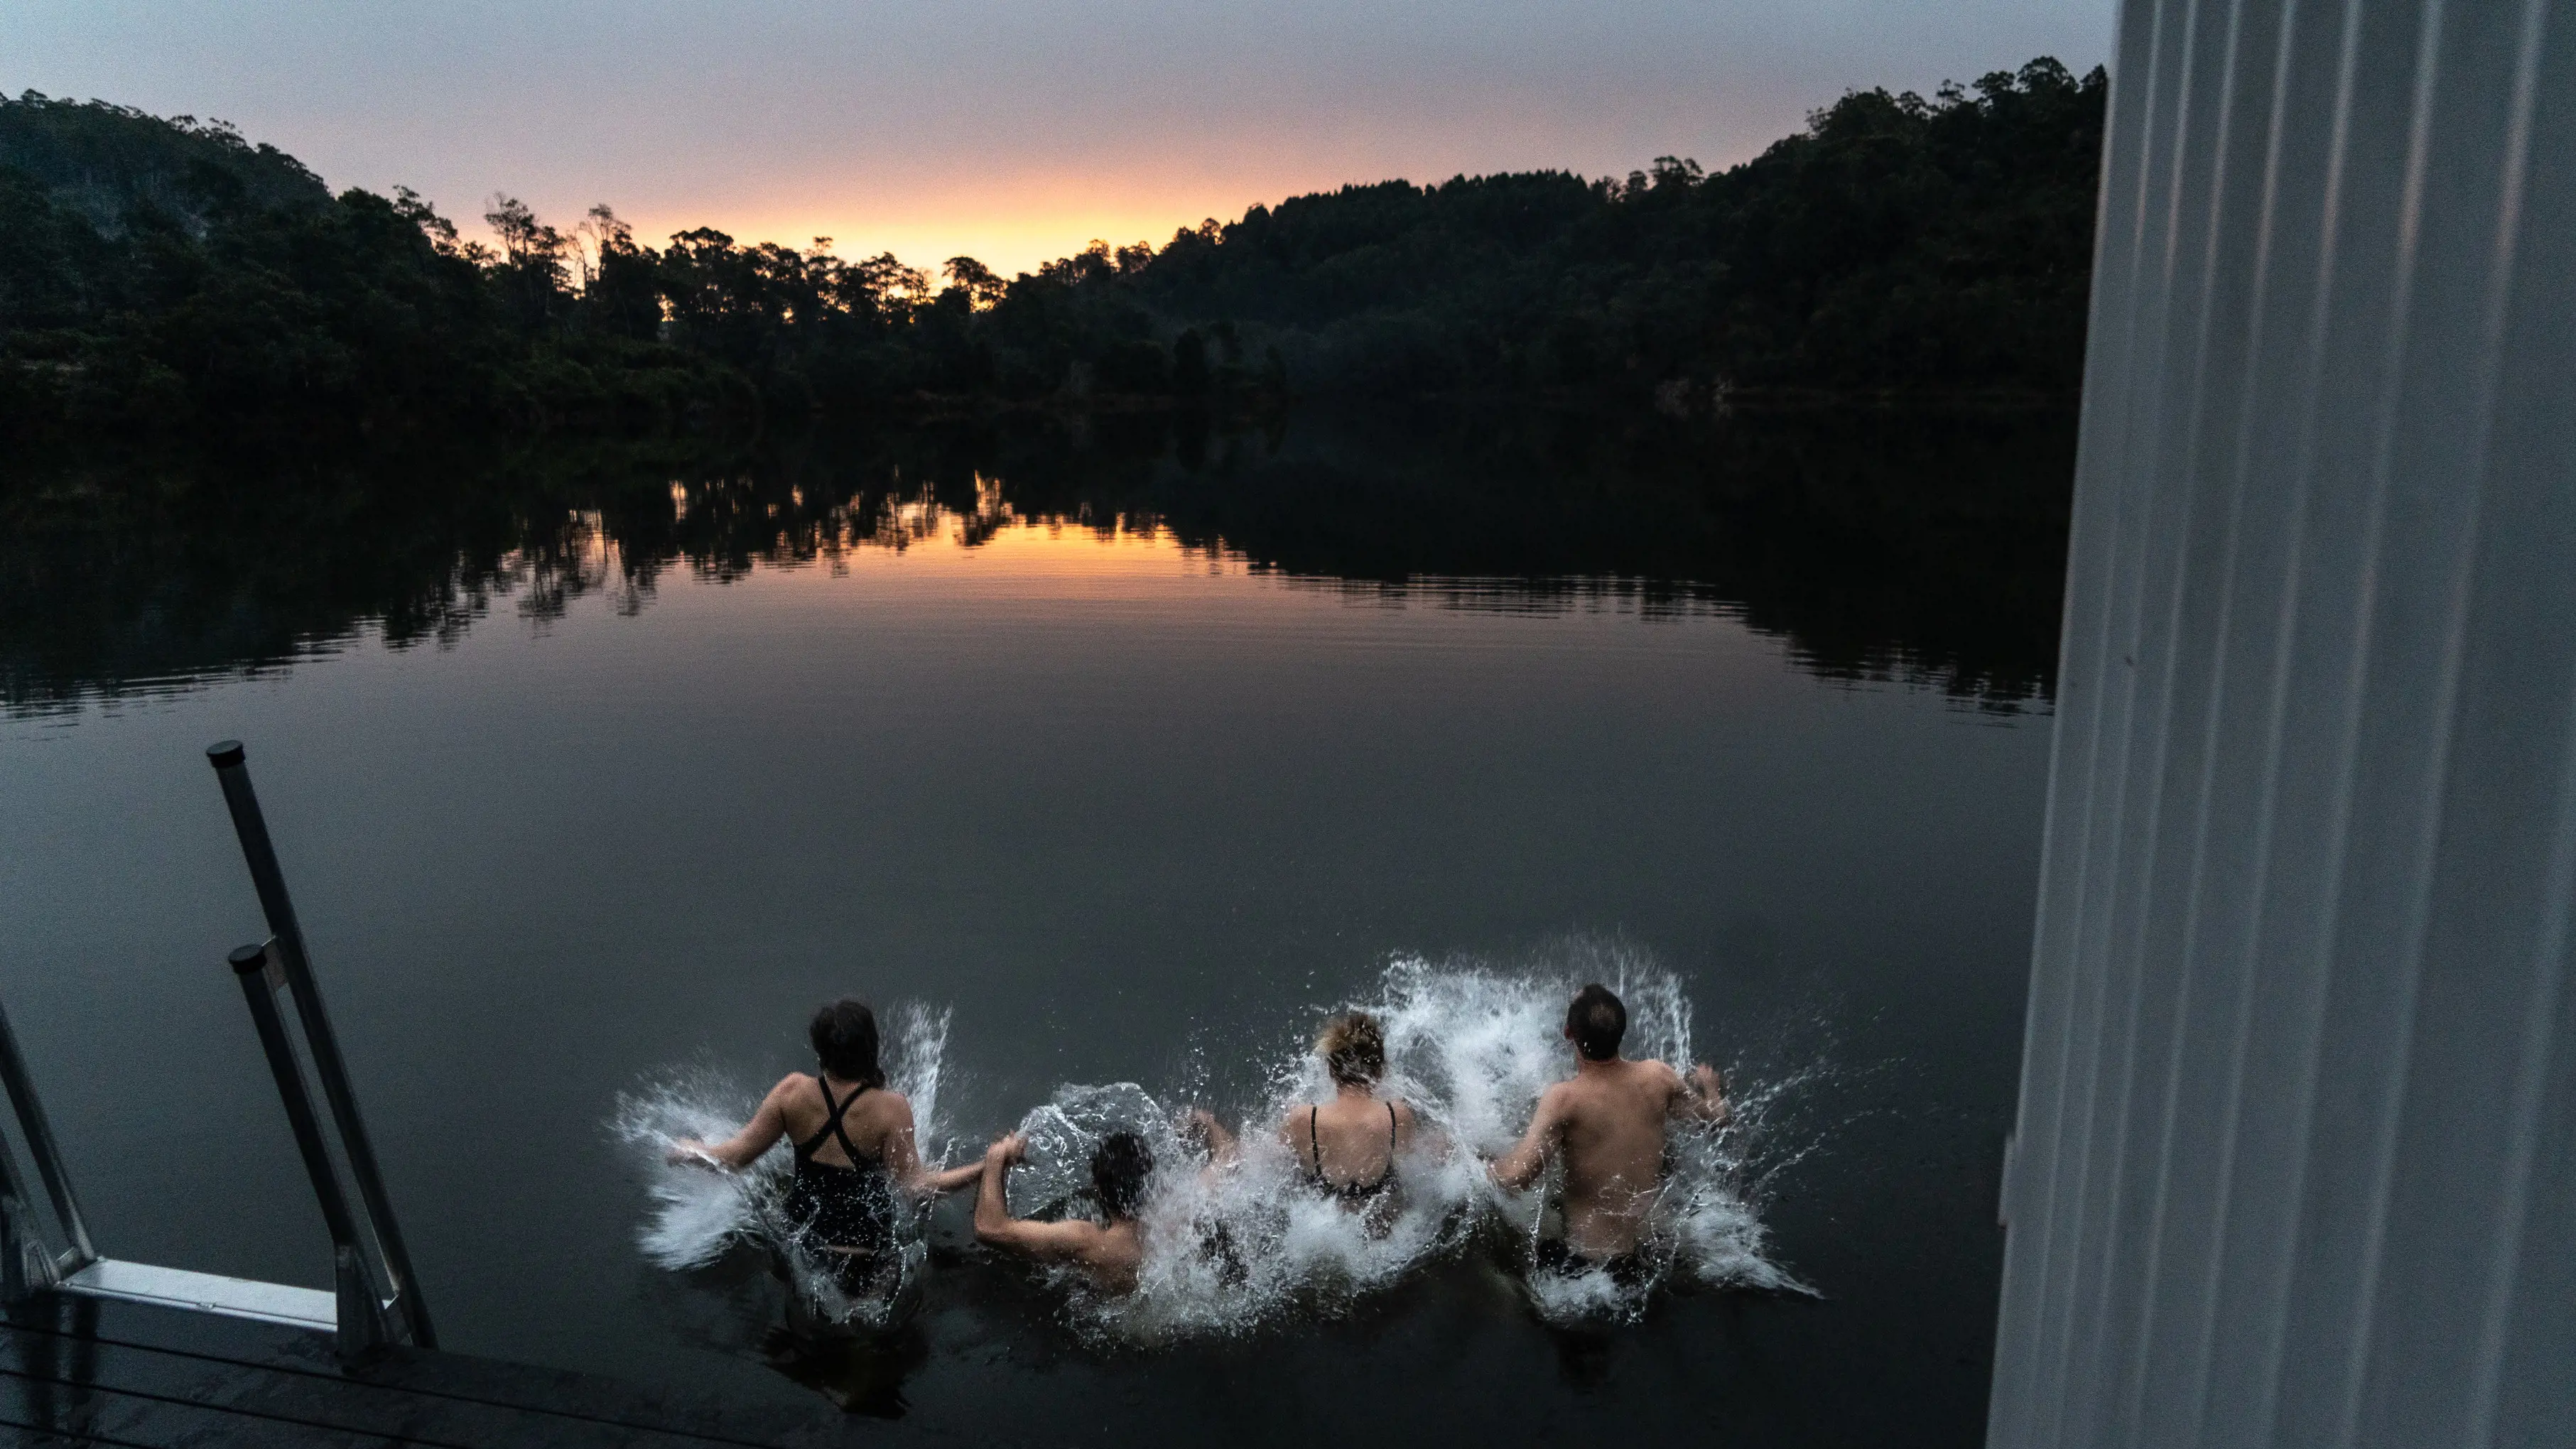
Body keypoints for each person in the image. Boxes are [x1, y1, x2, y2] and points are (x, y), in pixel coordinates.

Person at [671, 998, 980, 1294]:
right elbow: (916, 1188)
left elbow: (734, 1158)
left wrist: (691, 1151)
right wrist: (984, 1167)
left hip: (803, 1251)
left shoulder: (790, 1093)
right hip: (867, 1258)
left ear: (820, 1051)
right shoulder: (891, 1109)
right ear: (871, 1049)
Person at [1486, 983, 1728, 1286]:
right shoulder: (1657, 1076)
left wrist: (1475, 1167)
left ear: (1568, 1033)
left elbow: (1516, 1179)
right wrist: (1711, 1089)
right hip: (1652, 1255)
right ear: (1621, 1032)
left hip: (1590, 1273)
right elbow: (1714, 1121)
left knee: (1492, 1276)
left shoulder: (1564, 1099)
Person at [1189, 1012, 1426, 1223]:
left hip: (1324, 1237)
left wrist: (1211, 1126)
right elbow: (1416, 1168)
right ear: (1380, 1070)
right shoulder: (1397, 1116)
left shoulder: (1304, 1120)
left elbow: (1247, 1163)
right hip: (1384, 1241)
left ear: (1332, 1071)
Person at [973, 1129, 1154, 1295]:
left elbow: (989, 1228)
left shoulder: (1086, 1241)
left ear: (1097, 1188)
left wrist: (996, 1155)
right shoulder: (1168, 1228)